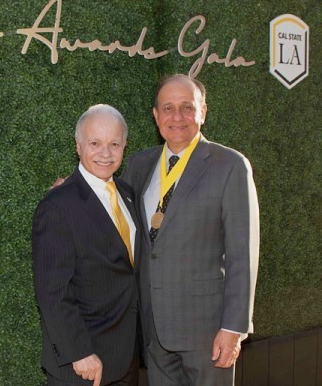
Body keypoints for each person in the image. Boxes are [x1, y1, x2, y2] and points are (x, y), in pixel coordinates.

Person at [121, 74, 260, 385]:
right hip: (155, 331)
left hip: (208, 333)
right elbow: (113, 212)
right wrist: (72, 190)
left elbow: (243, 253)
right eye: (168, 108)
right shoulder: (139, 165)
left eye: (187, 107)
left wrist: (233, 328)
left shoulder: (231, 166)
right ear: (155, 115)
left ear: (203, 112)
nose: (177, 117)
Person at [33, 104, 142, 386]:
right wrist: (79, 353)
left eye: (114, 144)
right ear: (78, 146)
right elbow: (51, 291)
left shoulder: (128, 195)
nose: (105, 153)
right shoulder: (58, 206)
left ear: (124, 146)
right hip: (83, 366)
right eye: (95, 143)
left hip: (125, 359)